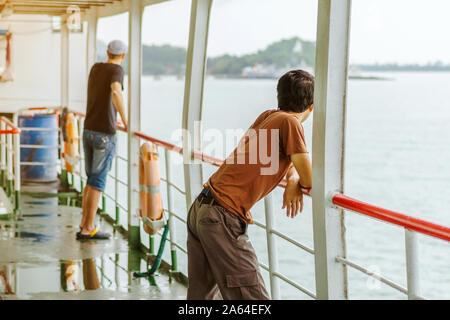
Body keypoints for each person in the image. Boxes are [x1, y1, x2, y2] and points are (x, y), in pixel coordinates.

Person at [186, 69, 314, 300]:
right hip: (222, 217)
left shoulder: (268, 116)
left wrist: (292, 177)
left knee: (200, 297)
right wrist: (296, 180)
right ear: (312, 107)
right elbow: (310, 178)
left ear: (278, 98)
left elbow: (288, 159)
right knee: (252, 299)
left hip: (202, 208)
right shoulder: (291, 124)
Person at [77, 40, 128, 240]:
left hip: (88, 129)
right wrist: (126, 120)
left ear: (107, 52)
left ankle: (84, 224)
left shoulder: (96, 68)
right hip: (104, 134)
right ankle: (87, 228)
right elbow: (116, 91)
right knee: (97, 182)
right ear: (123, 55)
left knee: (90, 182)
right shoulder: (117, 70)